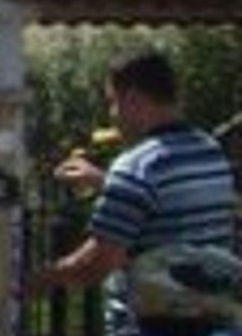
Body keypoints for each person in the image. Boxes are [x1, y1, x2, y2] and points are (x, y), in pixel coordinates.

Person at [44, 48, 241, 312]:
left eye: (112, 102)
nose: (112, 114)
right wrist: (105, 182)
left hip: (149, 327)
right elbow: (170, 205)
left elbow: (98, 262)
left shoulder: (135, 166)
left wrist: (37, 280)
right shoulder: (209, 151)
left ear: (133, 100)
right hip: (211, 313)